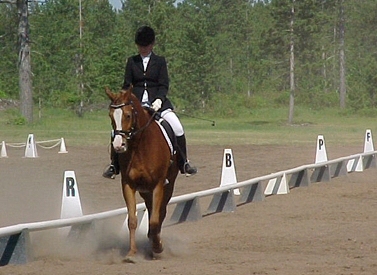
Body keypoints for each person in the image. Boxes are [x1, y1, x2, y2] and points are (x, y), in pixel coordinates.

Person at [103, 26, 197, 179]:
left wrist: (159, 99)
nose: (143, 49)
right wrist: (125, 99)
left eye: (146, 46)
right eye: (140, 46)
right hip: (136, 106)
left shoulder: (159, 61)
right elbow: (127, 85)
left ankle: (183, 162)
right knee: (116, 131)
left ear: (152, 45)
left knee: (177, 127)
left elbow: (164, 84)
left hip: (158, 104)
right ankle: (114, 165)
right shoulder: (132, 62)